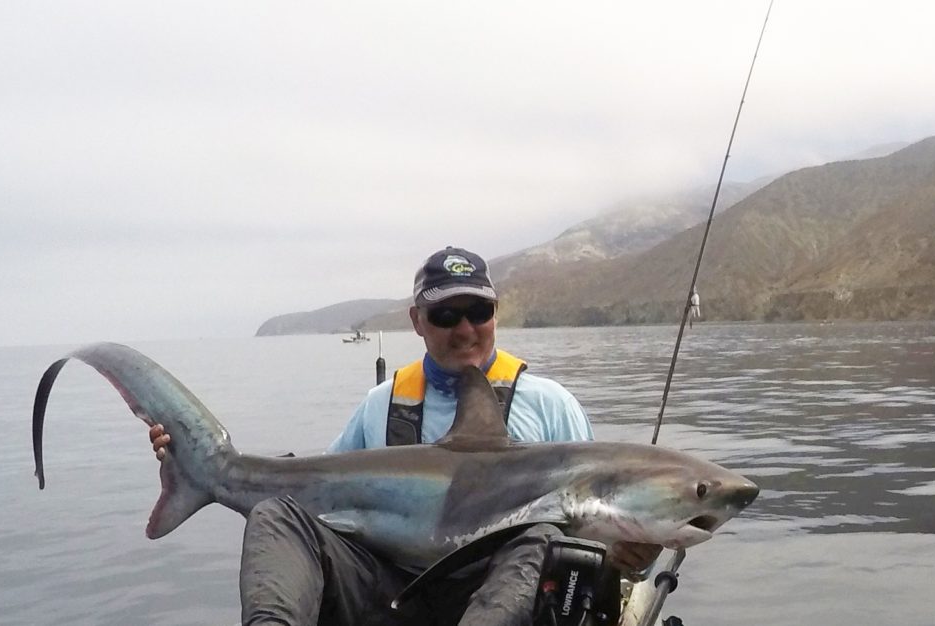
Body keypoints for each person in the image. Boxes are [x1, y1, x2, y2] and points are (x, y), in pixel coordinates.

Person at [149, 246, 661, 625]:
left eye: (478, 312)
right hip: (394, 597)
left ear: (495, 313)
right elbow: (316, 499)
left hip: (512, 602)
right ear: (417, 321)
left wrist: (623, 558)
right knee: (278, 512)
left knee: (543, 537)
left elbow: (591, 548)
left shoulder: (549, 406)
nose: (465, 329)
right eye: (444, 315)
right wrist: (191, 461)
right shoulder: (383, 406)